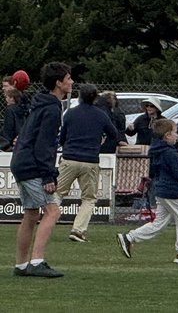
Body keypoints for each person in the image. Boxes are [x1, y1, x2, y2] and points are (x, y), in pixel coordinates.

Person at [11, 61, 73, 279]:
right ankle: (37, 261)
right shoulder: (52, 108)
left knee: (30, 214)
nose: (71, 82)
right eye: (68, 79)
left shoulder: (41, 102)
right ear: (58, 83)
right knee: (52, 211)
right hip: (32, 165)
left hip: (20, 162)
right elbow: (44, 144)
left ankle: (21, 265)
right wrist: (48, 175)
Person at [118, 118, 178, 265]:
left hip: (161, 190)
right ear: (167, 135)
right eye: (175, 132)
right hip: (172, 192)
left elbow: (154, 171)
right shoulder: (170, 153)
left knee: (159, 223)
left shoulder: (157, 151)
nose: (177, 135)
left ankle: (130, 237)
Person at [57, 83, 120, 243]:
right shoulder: (100, 115)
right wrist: (100, 140)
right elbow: (114, 134)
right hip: (90, 160)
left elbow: (62, 137)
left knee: (57, 194)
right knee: (89, 198)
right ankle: (78, 230)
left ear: (79, 97)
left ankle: (46, 223)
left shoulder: (70, 114)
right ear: (95, 97)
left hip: (70, 158)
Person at [1, 84, 29, 152]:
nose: (6, 99)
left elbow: (9, 128)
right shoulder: (24, 109)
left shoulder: (10, 110)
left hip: (10, 141)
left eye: (7, 97)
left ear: (12, 98)